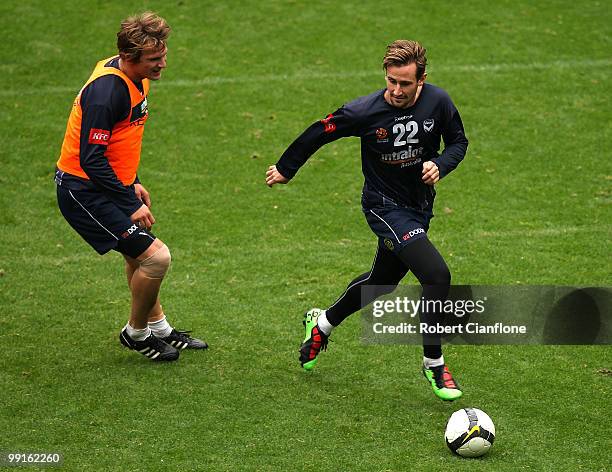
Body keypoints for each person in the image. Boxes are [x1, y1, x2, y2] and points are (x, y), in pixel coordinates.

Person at [266, 40, 468, 400]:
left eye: (405, 83)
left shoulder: (439, 102)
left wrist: (441, 164)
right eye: (391, 81)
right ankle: (434, 364)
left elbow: (457, 143)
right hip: (383, 206)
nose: (396, 90)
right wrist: (286, 168)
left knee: (383, 281)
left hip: (419, 206)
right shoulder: (365, 111)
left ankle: (321, 324)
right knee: (437, 275)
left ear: (422, 79)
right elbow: (320, 131)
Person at [55, 12, 207, 361]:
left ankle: (160, 329)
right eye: (155, 59)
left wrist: (133, 182)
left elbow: (120, 140)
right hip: (83, 192)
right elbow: (91, 159)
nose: (163, 64)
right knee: (156, 258)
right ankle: (135, 333)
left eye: (163, 55)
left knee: (136, 254)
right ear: (129, 57)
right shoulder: (106, 92)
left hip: (111, 185)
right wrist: (128, 198)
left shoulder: (136, 77)